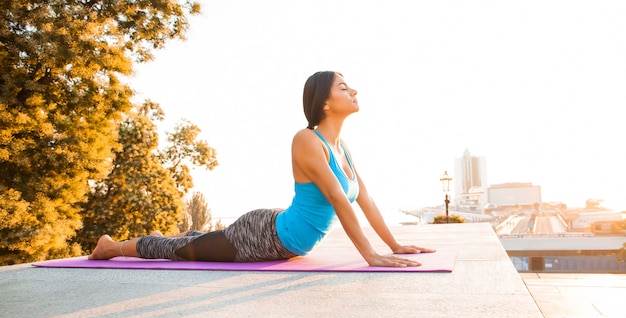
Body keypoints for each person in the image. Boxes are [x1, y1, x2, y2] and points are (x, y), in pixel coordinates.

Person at [89, 71, 435, 267]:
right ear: (325, 103)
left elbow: (366, 201)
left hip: (279, 228)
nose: (354, 89)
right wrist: (370, 256)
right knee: (176, 251)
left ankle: (183, 237)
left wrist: (395, 245)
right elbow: (337, 198)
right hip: (263, 235)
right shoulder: (306, 139)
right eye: (343, 87)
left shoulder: (341, 149)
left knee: (197, 241)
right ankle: (110, 247)